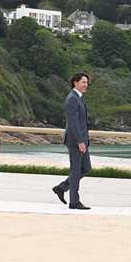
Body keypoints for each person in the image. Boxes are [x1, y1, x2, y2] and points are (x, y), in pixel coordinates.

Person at [52, 72, 92, 210]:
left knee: (86, 168)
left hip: (82, 141)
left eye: (87, 82)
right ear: (75, 83)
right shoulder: (72, 98)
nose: (86, 85)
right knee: (75, 170)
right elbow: (73, 123)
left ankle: (61, 187)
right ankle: (74, 202)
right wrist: (80, 141)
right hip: (76, 141)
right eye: (83, 82)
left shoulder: (79, 98)